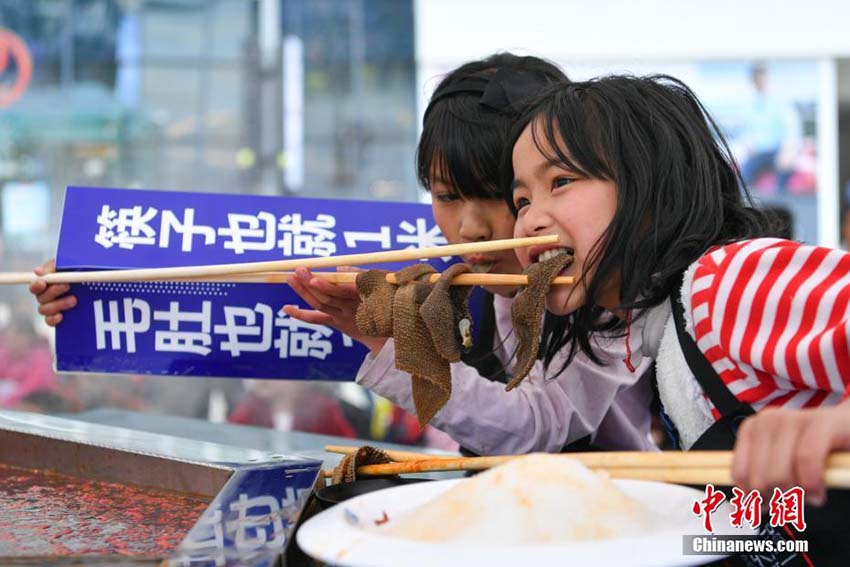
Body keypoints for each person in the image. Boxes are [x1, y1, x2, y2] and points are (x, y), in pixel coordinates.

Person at [504, 73, 849, 564]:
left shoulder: (726, 281)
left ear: (652, 186)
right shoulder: (654, 331)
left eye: (560, 181)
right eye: (521, 201)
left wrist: (838, 424)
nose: (529, 220)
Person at [283, 53, 656, 455]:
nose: (470, 229)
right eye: (447, 196)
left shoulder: (602, 288)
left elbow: (538, 427)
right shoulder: (461, 288)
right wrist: (388, 339)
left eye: (501, 195)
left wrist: (407, 353)